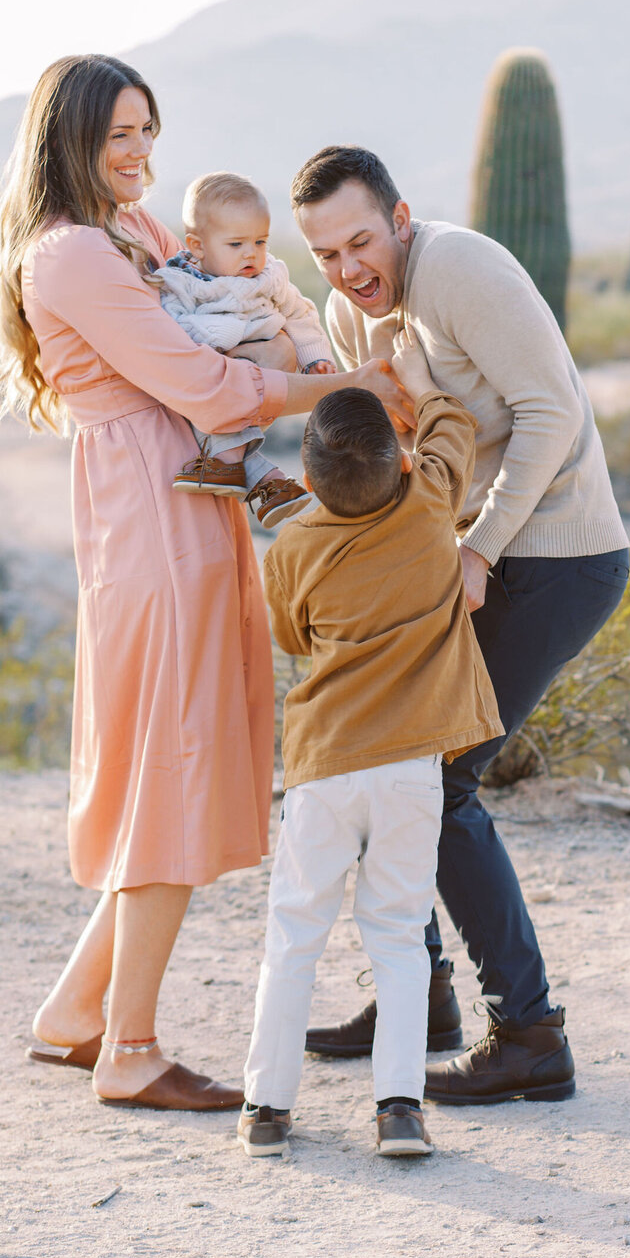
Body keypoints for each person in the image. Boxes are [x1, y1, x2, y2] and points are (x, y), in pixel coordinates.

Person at [0, 56, 412, 1112]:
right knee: (166, 766)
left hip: (191, 503)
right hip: (149, 513)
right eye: (118, 134)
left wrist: (320, 335)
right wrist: (344, 383)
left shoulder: (142, 235)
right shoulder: (72, 254)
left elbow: (241, 295)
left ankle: (77, 1015)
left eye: (147, 132)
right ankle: (129, 1049)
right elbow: (206, 381)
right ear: (68, 140)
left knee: (175, 757)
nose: (138, 154)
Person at [291, 144, 629, 1106]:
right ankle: (419, 998)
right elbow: (402, 452)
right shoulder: (352, 315)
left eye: (362, 240)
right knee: (386, 760)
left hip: (557, 556)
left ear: (399, 217)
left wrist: (475, 550)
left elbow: (551, 413)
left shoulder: (460, 267)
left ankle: (529, 1035)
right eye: (327, 254)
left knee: (439, 779)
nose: (350, 267)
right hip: (477, 556)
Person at [239, 327, 501, 1158]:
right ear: (399, 462)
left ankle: (266, 1109)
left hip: (325, 769)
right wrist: (416, 384)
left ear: (311, 480)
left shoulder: (293, 548)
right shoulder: (429, 505)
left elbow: (292, 636)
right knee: (395, 936)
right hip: (412, 772)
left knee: (295, 936)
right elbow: (456, 429)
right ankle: (398, 1111)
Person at [156, 170, 336, 527]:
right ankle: (271, 486)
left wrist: (315, 357)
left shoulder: (269, 277)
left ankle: (225, 466)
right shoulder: (183, 285)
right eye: (236, 245)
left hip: (262, 367)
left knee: (219, 400)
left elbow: (299, 313)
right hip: (220, 371)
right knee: (205, 392)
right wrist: (216, 333)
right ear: (197, 246)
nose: (251, 255)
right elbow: (172, 326)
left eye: (261, 242)